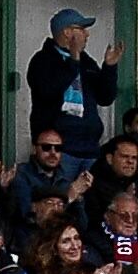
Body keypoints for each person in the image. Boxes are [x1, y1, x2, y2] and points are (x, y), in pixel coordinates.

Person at [22, 9, 120, 162]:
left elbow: (105, 98)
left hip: (90, 148)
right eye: (82, 29)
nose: (87, 34)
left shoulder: (87, 61)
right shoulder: (42, 60)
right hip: (57, 150)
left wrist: (109, 68)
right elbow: (47, 91)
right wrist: (73, 62)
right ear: (67, 32)